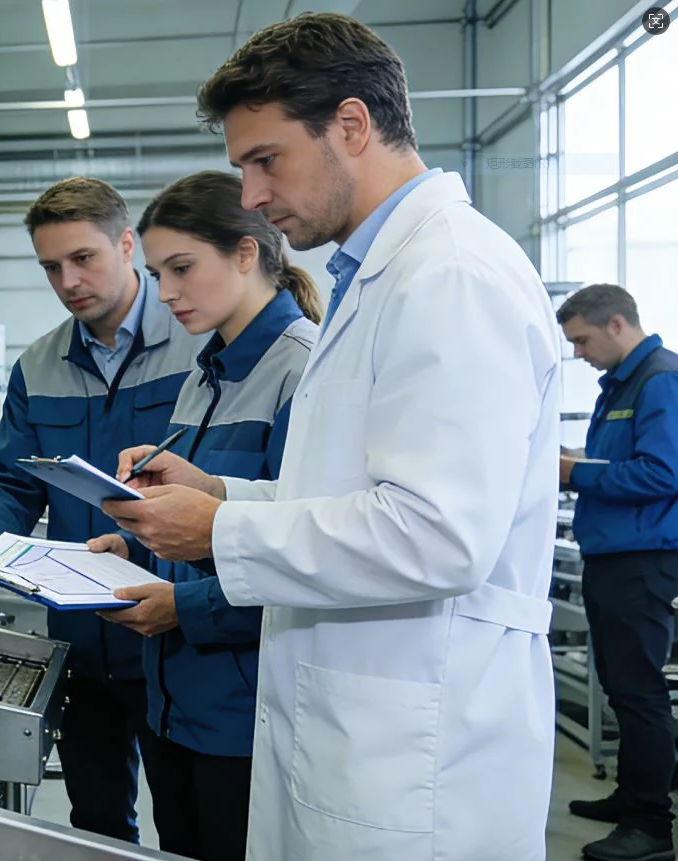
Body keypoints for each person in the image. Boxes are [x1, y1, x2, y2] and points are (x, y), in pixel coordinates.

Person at [100, 13, 560, 860]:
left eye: (265, 159)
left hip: (421, 756)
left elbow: (438, 532)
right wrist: (221, 493)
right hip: (363, 731)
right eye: (241, 168)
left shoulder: (451, 274)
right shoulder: (378, 277)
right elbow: (357, 495)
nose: (251, 197)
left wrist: (220, 531)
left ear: (351, 124)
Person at [0, 176, 206, 844]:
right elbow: (8, 482)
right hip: (80, 640)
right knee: (95, 823)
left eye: (83, 258)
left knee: (190, 824)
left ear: (125, 244)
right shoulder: (39, 364)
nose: (68, 280)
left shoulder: (198, 346)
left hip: (174, 632)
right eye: (51, 266)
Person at [87, 170, 320, 861]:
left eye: (181, 268)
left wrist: (181, 607)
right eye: (156, 273)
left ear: (246, 252)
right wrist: (141, 552)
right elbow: (214, 527)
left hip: (247, 712)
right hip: (174, 703)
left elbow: (313, 554)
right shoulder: (203, 373)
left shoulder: (300, 370)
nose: (164, 293)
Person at [557, 284, 678, 861]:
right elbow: (621, 464)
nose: (579, 354)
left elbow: (662, 474)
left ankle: (651, 826)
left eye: (582, 340)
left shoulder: (660, 380)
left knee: (640, 692)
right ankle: (632, 795)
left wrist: (573, 475)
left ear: (616, 325)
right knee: (622, 687)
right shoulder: (623, 385)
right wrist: (571, 462)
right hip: (613, 556)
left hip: (643, 558)